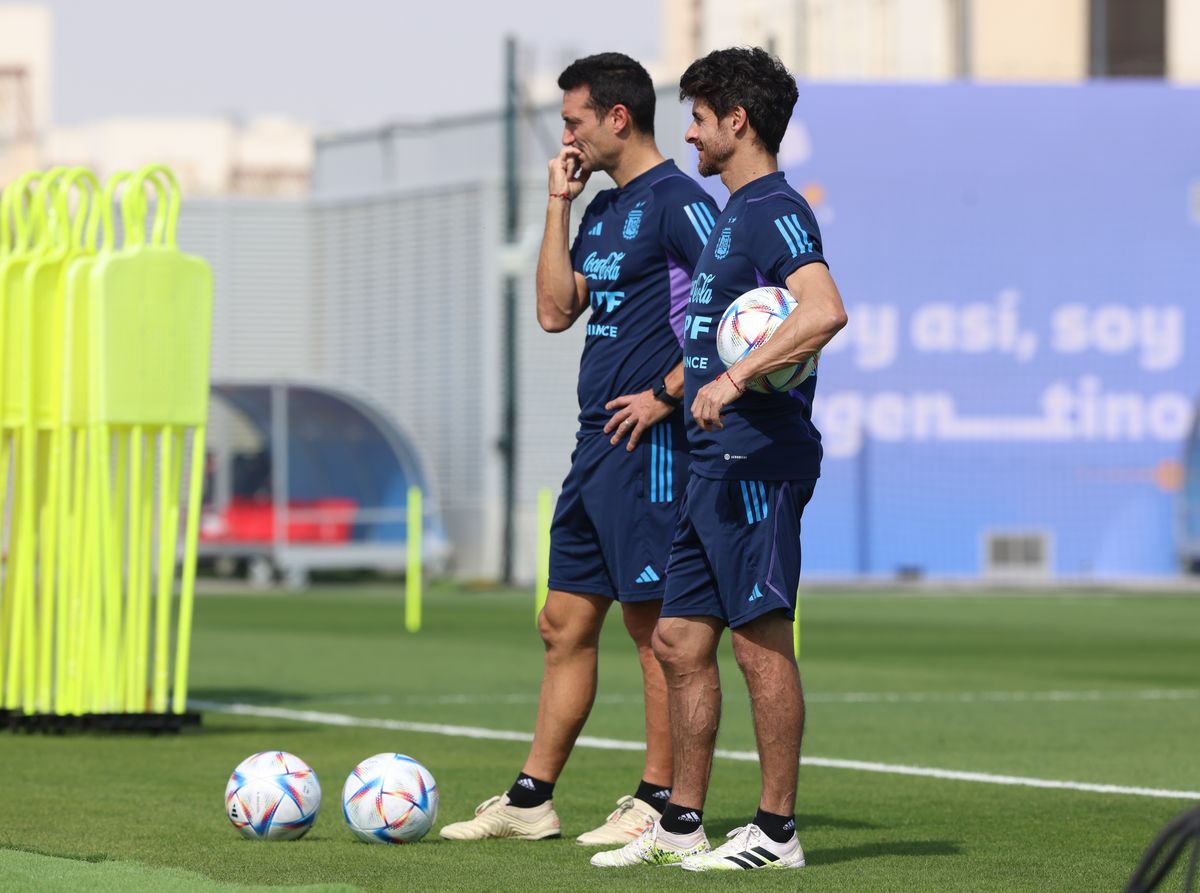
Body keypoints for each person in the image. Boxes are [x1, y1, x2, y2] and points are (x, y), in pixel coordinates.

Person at [439, 52, 719, 846]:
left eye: (572, 121)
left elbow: (738, 308)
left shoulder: (679, 202)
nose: (565, 135)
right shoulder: (596, 209)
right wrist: (558, 205)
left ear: (617, 118)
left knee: (654, 628)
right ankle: (531, 800)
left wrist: (667, 395)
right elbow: (555, 312)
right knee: (563, 621)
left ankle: (657, 799)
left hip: (652, 446)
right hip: (593, 445)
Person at [591, 47, 848, 871]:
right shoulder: (733, 209)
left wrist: (737, 376)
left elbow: (824, 311)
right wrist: (680, 392)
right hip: (712, 461)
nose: (690, 132)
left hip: (758, 459)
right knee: (677, 639)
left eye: (699, 118)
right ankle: (681, 824)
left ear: (737, 121)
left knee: (759, 640)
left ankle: (775, 834)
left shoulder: (774, 207)